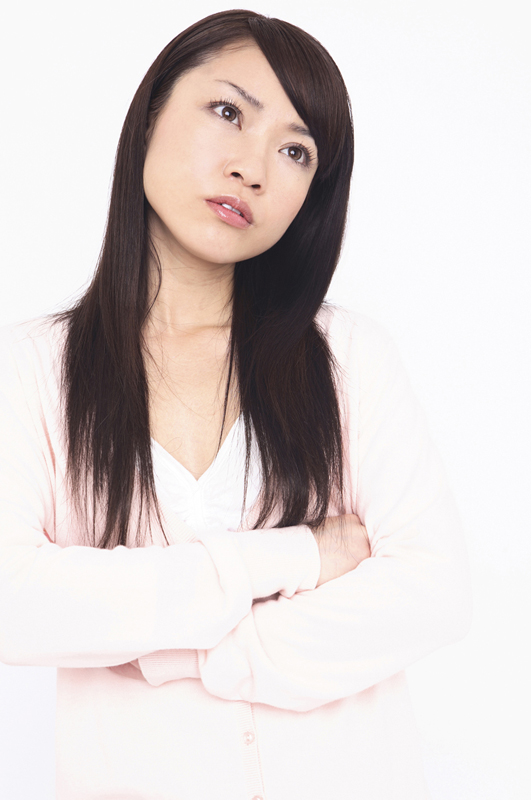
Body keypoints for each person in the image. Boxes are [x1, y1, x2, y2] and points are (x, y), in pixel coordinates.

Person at [0, 9, 472, 800]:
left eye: (294, 151)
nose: (252, 168)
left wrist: (182, 652)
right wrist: (295, 557)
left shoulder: (347, 358)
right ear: (150, 113)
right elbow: (14, 603)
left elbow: (432, 591)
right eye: (228, 112)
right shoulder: (31, 371)